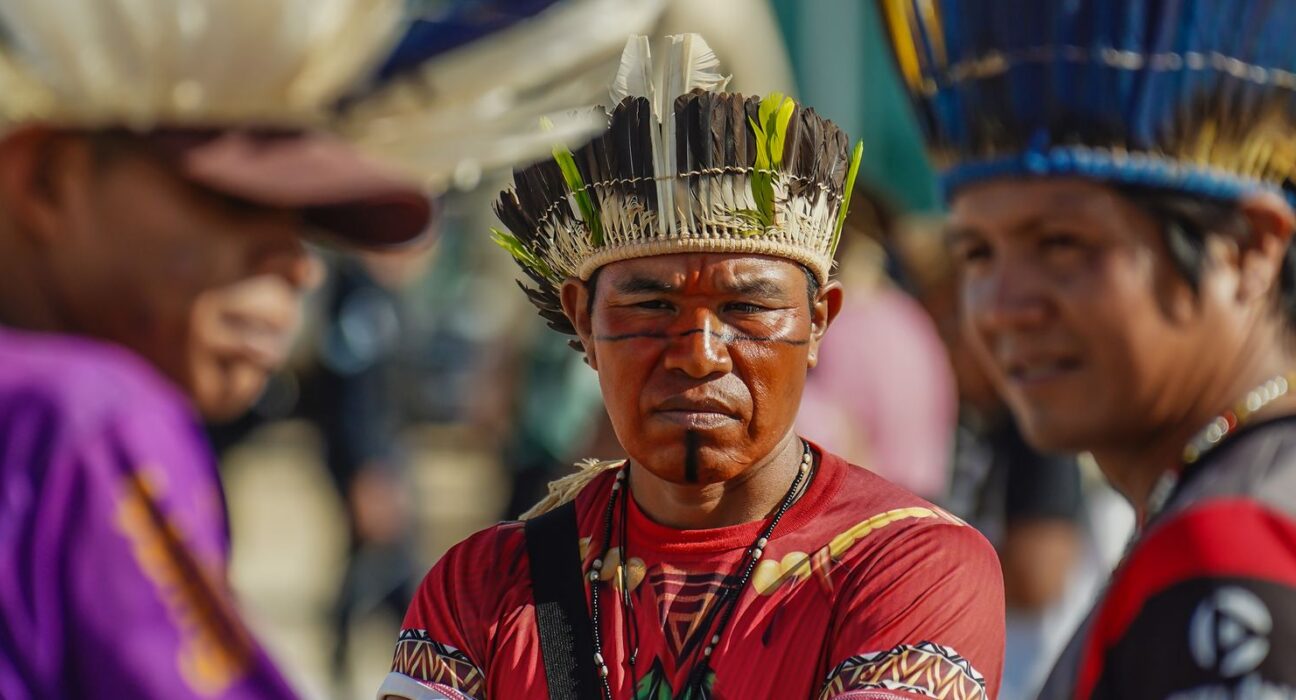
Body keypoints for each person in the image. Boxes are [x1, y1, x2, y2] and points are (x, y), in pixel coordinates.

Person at [378, 34, 1005, 700]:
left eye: (746, 306)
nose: (699, 352)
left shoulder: (909, 570)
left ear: (819, 321)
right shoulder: (483, 586)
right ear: (583, 321)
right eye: (651, 305)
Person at [0, 2, 443, 698]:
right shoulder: (87, 412)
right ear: (47, 178)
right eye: (234, 201)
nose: (299, 265)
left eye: (297, 222)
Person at [881, 0, 1296, 696]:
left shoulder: (1231, 542)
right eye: (977, 254)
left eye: (1062, 244)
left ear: (1250, 247)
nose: (1006, 307)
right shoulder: (1220, 500)